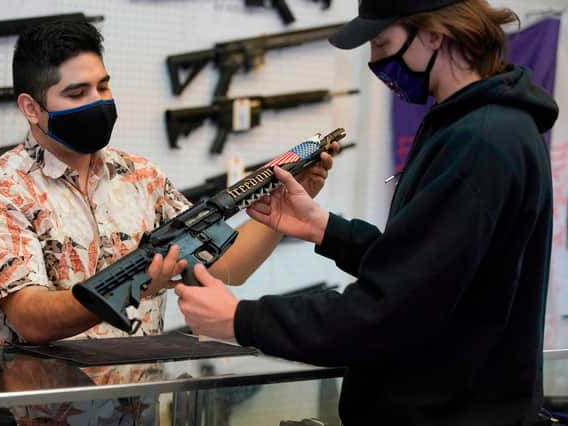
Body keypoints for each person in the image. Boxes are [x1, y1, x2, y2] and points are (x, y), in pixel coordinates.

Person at [175, 0, 559, 425]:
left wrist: (240, 320)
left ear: (434, 33)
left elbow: (391, 309)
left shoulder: (480, 141)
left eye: (382, 42)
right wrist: (326, 230)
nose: (375, 60)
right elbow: (430, 269)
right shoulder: (473, 127)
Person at [0, 20, 334, 347]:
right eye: (77, 93)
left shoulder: (141, 177)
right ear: (31, 108)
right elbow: (31, 319)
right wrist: (137, 282)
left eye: (102, 86)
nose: (98, 101)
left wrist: (277, 209)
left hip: (136, 405)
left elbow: (224, 268)